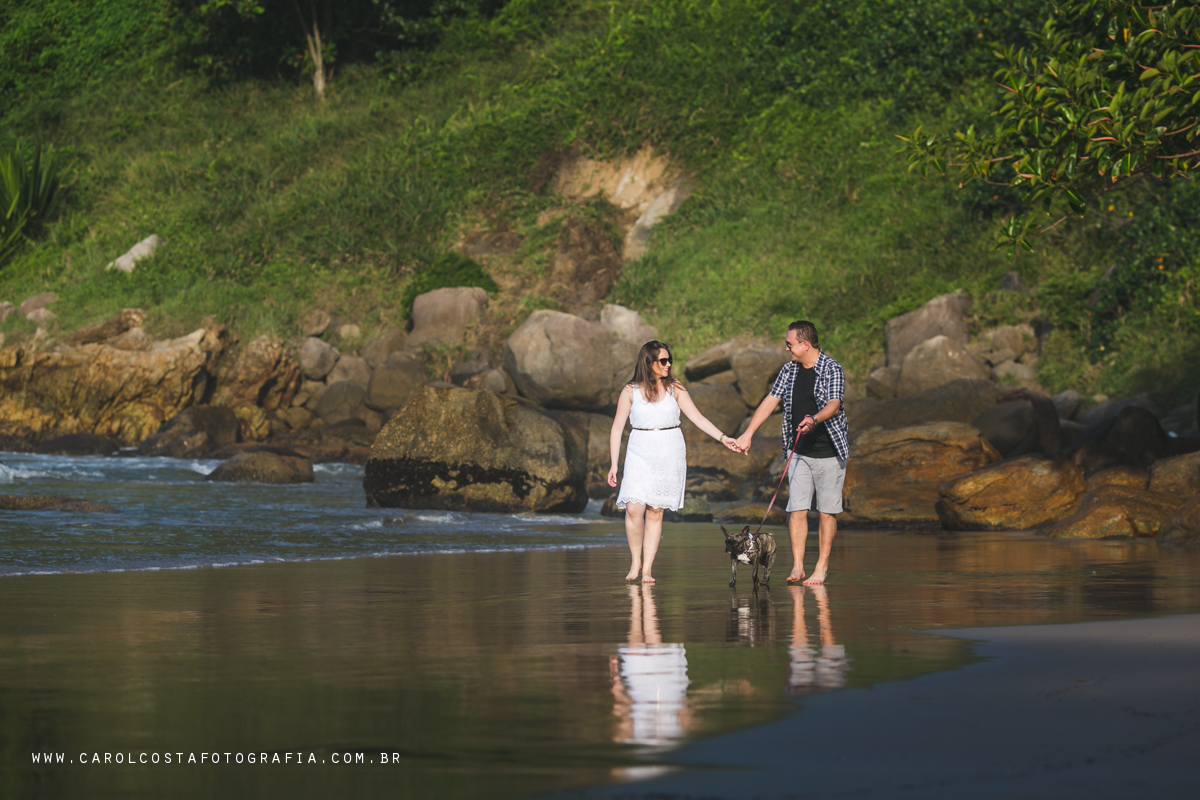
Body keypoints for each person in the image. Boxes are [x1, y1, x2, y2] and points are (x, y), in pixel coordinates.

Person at [608, 340, 740, 584]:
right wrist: (614, 464)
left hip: (669, 450)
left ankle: (647, 568)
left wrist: (723, 438)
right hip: (639, 450)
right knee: (633, 508)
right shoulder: (630, 391)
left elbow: (698, 418)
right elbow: (617, 429)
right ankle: (635, 561)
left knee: (655, 511)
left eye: (670, 360)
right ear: (649, 363)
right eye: (663, 361)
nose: (668, 365)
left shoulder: (675, 388)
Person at [735, 321, 848, 585]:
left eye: (790, 344)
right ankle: (798, 566)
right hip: (798, 451)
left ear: (804, 344)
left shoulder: (832, 368)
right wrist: (748, 433)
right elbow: (770, 400)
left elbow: (834, 404)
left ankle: (821, 568)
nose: (787, 348)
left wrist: (813, 419)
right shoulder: (789, 369)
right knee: (797, 509)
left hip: (830, 451)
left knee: (826, 512)